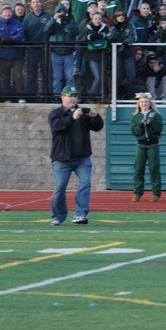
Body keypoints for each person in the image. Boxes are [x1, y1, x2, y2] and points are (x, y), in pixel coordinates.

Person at [48, 86, 104, 226]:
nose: (73, 98)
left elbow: (98, 127)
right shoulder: (56, 113)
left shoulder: (83, 113)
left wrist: (95, 117)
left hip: (82, 158)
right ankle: (58, 216)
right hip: (62, 159)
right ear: (62, 97)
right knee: (60, 189)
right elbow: (57, 127)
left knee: (85, 184)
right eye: (70, 96)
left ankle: (80, 214)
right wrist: (72, 118)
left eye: (74, 96)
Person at [130, 93, 163, 203]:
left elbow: (159, 130)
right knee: (138, 169)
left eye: (146, 102)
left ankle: (156, 193)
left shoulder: (155, 115)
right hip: (141, 145)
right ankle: (137, 192)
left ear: (149, 103)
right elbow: (134, 131)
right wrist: (140, 126)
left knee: (154, 169)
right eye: (142, 102)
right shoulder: (136, 117)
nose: (144, 104)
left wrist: (150, 126)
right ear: (139, 104)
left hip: (153, 145)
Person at [0, 5, 25, 98]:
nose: (7, 14)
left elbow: (20, 36)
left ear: (11, 13)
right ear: (1, 13)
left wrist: (9, 39)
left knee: (18, 77)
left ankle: (20, 97)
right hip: (2, 55)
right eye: (5, 12)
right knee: (4, 78)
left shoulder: (17, 24)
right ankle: (7, 98)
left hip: (17, 55)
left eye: (9, 12)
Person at [45, 3, 79, 98]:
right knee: (57, 77)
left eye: (63, 12)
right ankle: (57, 96)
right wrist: (53, 19)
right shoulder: (53, 22)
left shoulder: (71, 22)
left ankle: (70, 95)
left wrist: (68, 23)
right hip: (56, 53)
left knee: (70, 77)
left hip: (68, 53)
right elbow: (47, 30)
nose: (61, 13)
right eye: (59, 12)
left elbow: (75, 32)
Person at [22, 0, 51, 99]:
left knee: (46, 74)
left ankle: (46, 96)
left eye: (37, 2)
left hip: (45, 49)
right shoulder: (28, 17)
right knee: (31, 74)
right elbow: (24, 33)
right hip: (32, 49)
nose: (36, 4)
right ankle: (31, 97)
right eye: (33, 2)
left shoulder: (48, 16)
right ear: (31, 4)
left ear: (41, 3)